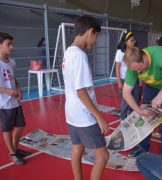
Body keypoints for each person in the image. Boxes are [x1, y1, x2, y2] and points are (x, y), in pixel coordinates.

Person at [62, 16, 109, 180]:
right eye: (96, 36)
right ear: (90, 32)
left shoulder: (68, 52)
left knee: (77, 149)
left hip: (71, 113)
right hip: (84, 115)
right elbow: (81, 91)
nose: (95, 41)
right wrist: (99, 116)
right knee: (103, 156)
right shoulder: (80, 56)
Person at [123, 46, 162, 158]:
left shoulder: (158, 54)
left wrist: (161, 95)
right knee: (146, 117)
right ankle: (143, 147)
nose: (138, 72)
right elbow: (126, 93)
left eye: (139, 68)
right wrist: (139, 111)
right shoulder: (133, 66)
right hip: (152, 87)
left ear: (144, 58)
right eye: (135, 70)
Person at [0, 32, 27, 165]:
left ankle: (14, 148)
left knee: (21, 125)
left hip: (15, 102)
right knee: (7, 129)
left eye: (11, 44)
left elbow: (13, 79)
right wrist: (5, 91)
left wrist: (18, 88)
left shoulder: (12, 61)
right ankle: (12, 152)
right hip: (3, 104)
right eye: (8, 44)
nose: (12, 47)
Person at [115, 32, 142, 121]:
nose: (133, 42)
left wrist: (140, 79)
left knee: (135, 99)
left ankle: (132, 118)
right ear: (126, 42)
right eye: (131, 40)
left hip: (136, 79)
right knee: (126, 101)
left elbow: (139, 66)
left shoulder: (135, 50)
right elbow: (117, 67)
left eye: (134, 40)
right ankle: (123, 119)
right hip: (125, 79)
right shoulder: (120, 52)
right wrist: (119, 82)